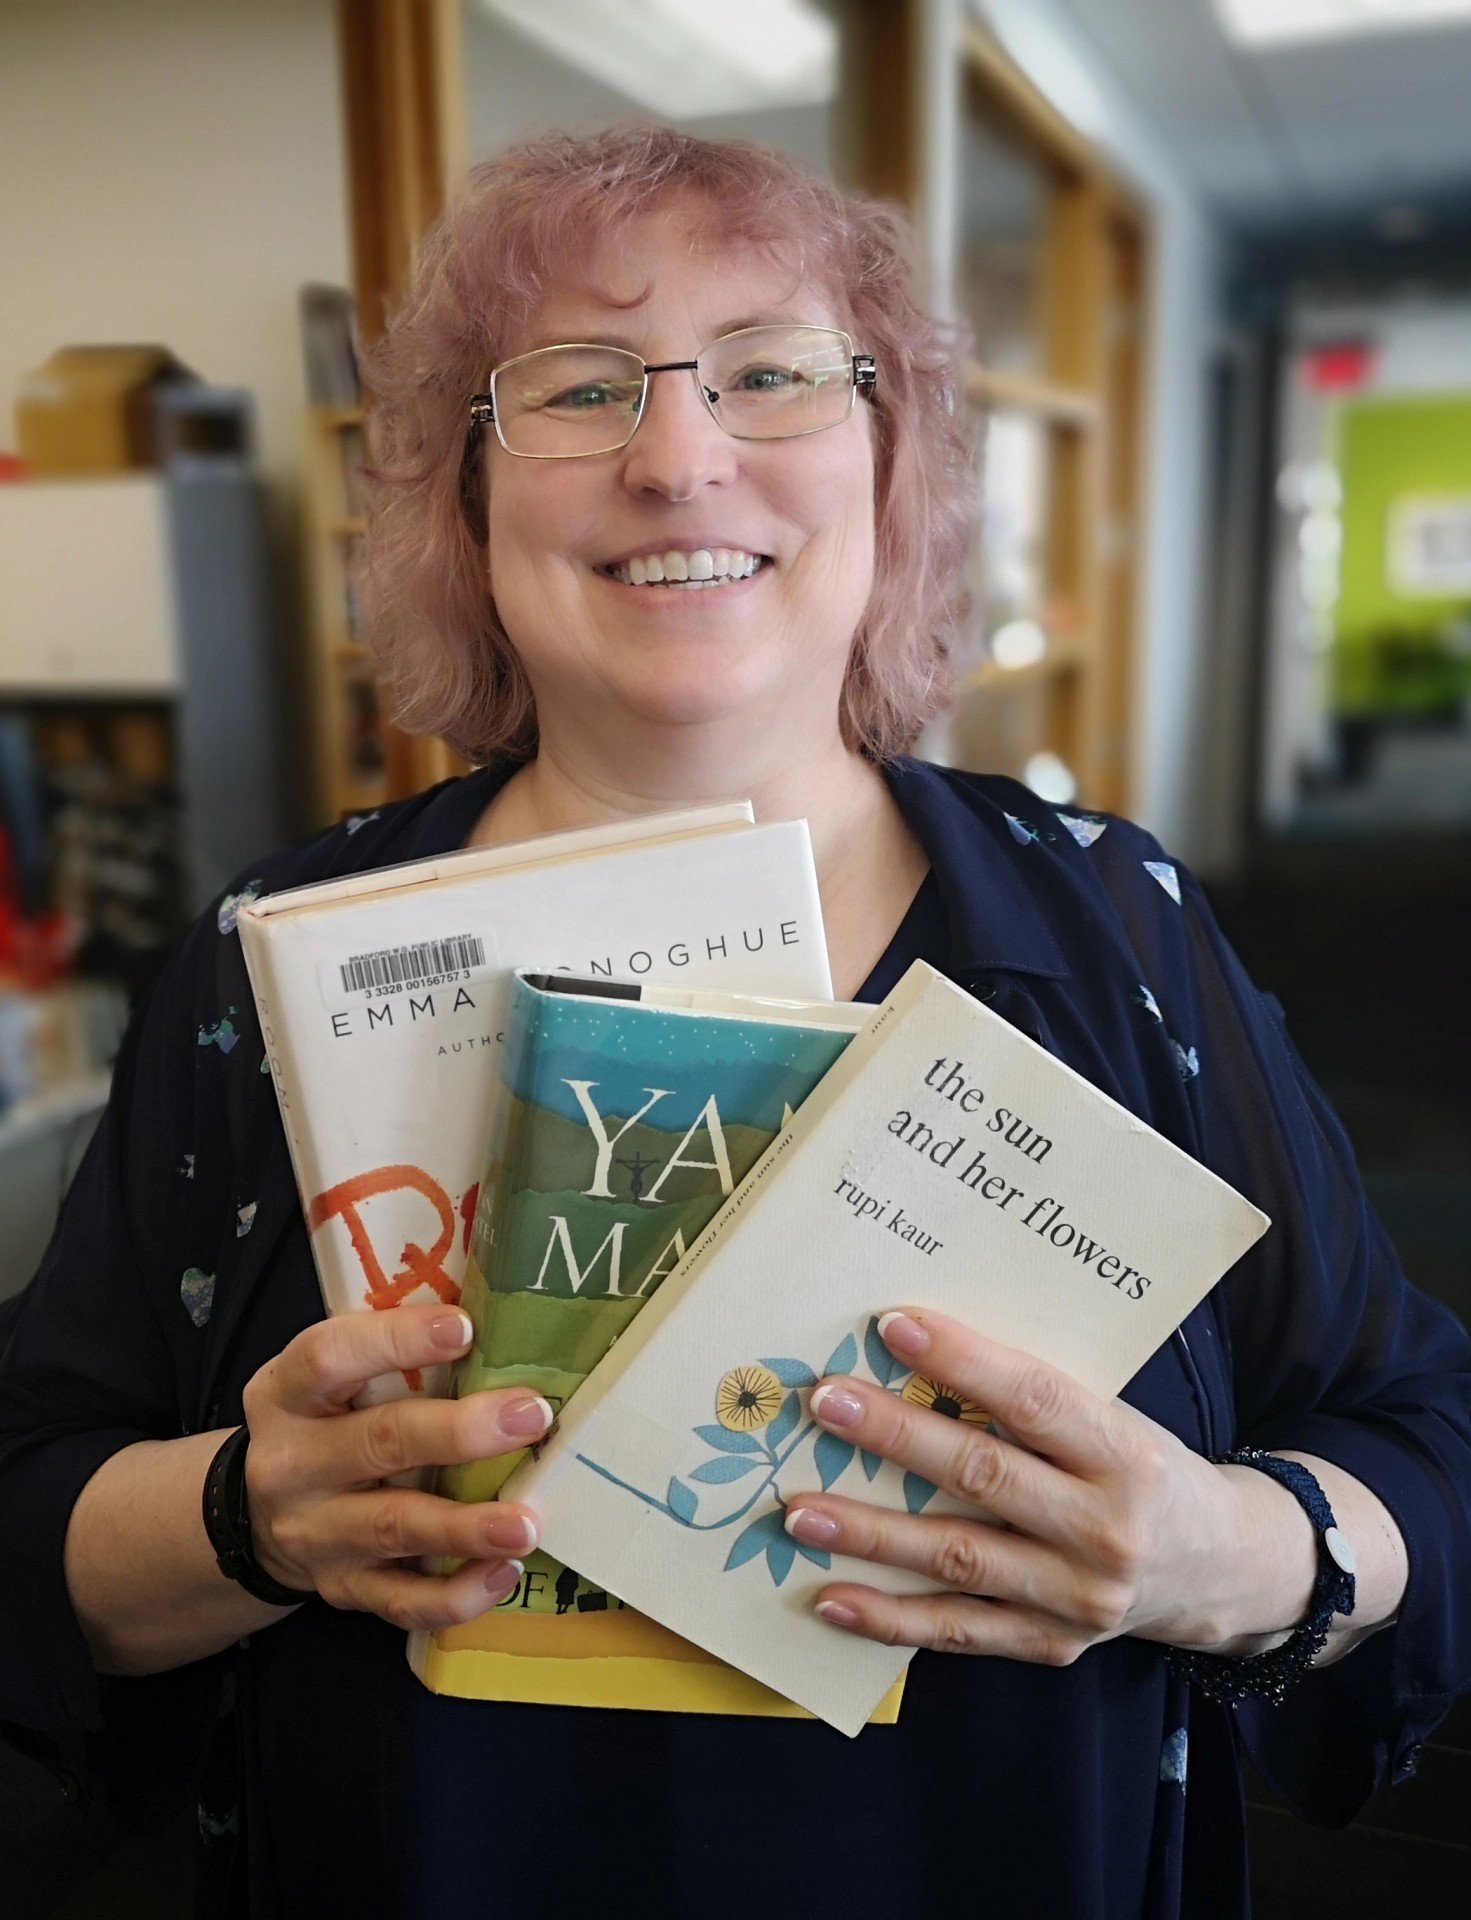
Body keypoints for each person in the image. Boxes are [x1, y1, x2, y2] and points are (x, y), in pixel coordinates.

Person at [2, 125, 1468, 1920]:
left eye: (769, 374)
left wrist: (1217, 1554)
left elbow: (1423, 1438)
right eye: (576, 388)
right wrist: (244, 1519)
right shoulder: (271, 965)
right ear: (459, 500)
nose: (678, 458)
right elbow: (29, 1509)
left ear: (891, 468)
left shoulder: (1114, 933)